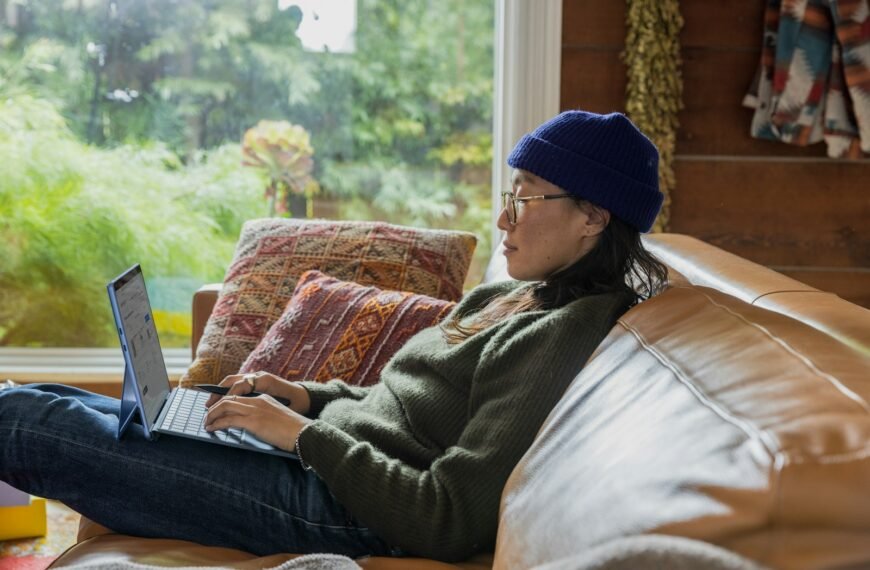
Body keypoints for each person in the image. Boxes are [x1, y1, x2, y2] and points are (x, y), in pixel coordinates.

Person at [0, 110, 668, 562]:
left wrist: (301, 436)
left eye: (526, 197)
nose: (503, 216)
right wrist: (303, 398)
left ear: (592, 217)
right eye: (509, 192)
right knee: (63, 402)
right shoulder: (513, 293)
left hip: (340, 507)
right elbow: (401, 406)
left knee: (26, 422)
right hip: (320, 460)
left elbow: (450, 515)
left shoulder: (563, 333)